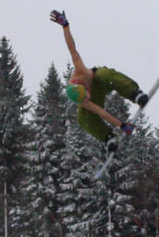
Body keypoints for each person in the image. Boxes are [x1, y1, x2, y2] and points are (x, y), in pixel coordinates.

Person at [50, 10, 149, 153]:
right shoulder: (83, 101)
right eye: (85, 98)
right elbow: (101, 112)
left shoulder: (80, 70)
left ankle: (134, 94)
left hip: (100, 82)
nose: (87, 98)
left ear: (83, 86)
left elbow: (72, 48)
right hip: (97, 99)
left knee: (104, 75)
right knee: (83, 117)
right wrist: (122, 126)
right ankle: (108, 137)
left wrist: (65, 26)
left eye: (86, 94)